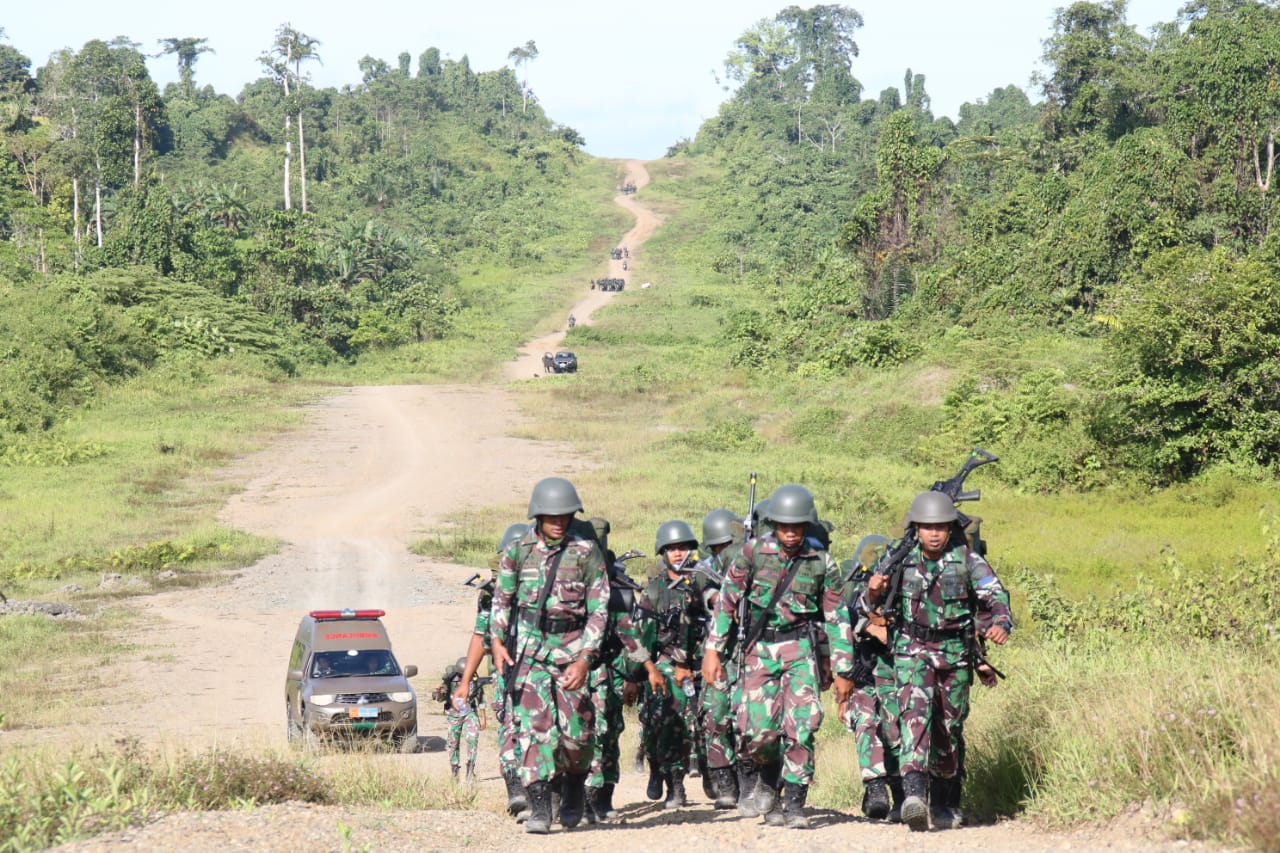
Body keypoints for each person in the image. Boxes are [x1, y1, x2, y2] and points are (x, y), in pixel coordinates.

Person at [703, 484, 852, 829]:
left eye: (797, 526)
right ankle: (768, 779)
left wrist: (843, 669)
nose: (790, 532)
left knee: (802, 727)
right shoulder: (753, 552)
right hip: (759, 651)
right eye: (784, 525)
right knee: (758, 731)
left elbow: (837, 618)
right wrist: (713, 650)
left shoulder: (821, 563)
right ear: (774, 524)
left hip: (800, 649)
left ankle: (796, 804)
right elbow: (727, 600)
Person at [861, 491, 1012, 832]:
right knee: (914, 716)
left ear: (948, 529)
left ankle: (945, 803)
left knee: (949, 728)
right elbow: (866, 603)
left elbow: (996, 597)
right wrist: (873, 592)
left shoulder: (968, 560)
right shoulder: (898, 559)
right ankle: (915, 796)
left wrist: (1000, 623)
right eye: (926, 527)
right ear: (916, 528)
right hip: (911, 650)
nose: (933, 533)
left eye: (940, 527)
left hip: (955, 654)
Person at [491, 477, 610, 834]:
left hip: (573, 648)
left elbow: (600, 609)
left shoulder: (587, 552)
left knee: (576, 735)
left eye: (565, 515)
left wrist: (586, 657)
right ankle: (540, 807)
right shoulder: (518, 551)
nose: (559, 521)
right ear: (538, 516)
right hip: (530, 652)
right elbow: (502, 600)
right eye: (552, 516)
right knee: (534, 731)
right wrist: (497, 642)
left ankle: (573, 788)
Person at [620, 520, 707, 810]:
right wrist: (635, 676)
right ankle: (668, 779)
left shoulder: (703, 583)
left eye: (683, 548)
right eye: (673, 549)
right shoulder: (655, 592)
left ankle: (711, 776)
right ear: (663, 553)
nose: (679, 553)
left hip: (704, 664)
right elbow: (639, 636)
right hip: (666, 665)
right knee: (665, 724)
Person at [455, 523, 530, 819]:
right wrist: (465, 680)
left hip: (542, 670)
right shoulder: (490, 595)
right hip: (507, 675)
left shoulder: (547, 586)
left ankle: (546, 791)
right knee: (511, 729)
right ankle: (517, 792)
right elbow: (480, 637)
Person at [693, 508, 747, 810]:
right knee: (715, 715)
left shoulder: (754, 562)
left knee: (749, 719)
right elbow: (705, 587)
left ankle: (749, 780)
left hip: (751, 653)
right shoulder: (707, 569)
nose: (724, 552)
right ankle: (724, 780)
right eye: (719, 547)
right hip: (719, 653)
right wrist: (720, 598)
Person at [439, 656, 484, 782]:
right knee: (453, 743)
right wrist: (439, 692)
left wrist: (483, 717)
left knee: (473, 739)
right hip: (454, 714)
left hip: (470, 712)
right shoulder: (450, 680)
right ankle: (454, 771)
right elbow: (440, 698)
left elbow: (481, 698)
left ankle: (470, 770)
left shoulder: (474, 679)